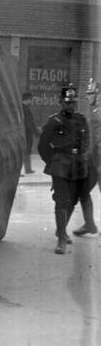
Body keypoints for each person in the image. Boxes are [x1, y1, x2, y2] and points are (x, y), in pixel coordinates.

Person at [38, 84, 94, 254]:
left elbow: (87, 140)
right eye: (67, 102)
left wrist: (83, 155)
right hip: (61, 166)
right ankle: (61, 239)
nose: (71, 105)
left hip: (78, 166)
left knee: (73, 201)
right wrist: (53, 161)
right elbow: (42, 146)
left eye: (73, 102)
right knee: (62, 201)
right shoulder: (54, 121)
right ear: (60, 102)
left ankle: (60, 230)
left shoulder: (81, 119)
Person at [73, 79, 101, 237]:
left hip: (98, 162)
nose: (88, 96)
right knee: (83, 191)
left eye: (91, 93)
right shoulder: (94, 110)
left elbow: (97, 139)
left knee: (83, 191)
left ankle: (89, 224)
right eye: (87, 94)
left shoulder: (99, 111)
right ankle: (89, 224)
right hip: (94, 161)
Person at [21, 92, 39, 174]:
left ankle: (28, 169)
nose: (31, 101)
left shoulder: (23, 107)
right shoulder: (25, 109)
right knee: (25, 151)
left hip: (25, 133)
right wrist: (36, 132)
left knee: (26, 151)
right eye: (30, 99)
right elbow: (29, 123)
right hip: (26, 133)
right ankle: (25, 170)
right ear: (27, 99)